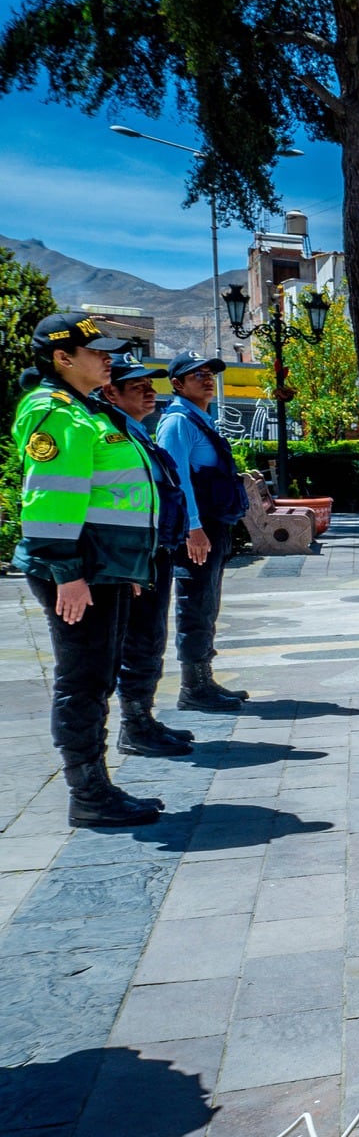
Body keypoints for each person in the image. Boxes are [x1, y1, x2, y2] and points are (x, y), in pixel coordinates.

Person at [11, 315, 164, 828]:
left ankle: (97, 786)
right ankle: (89, 794)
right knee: (82, 679)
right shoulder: (57, 415)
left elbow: (112, 496)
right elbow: (51, 500)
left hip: (103, 565)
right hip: (79, 569)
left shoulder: (87, 410)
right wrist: (66, 573)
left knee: (98, 675)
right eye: (97, 352)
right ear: (62, 358)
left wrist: (129, 566)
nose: (108, 360)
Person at [102, 355, 196, 758]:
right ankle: (134, 727)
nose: (149, 392)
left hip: (153, 553)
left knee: (150, 640)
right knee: (137, 642)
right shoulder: (111, 435)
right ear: (111, 392)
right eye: (137, 386)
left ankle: (143, 718)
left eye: (150, 384)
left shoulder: (136, 433)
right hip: (132, 559)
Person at [152, 352, 249, 713]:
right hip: (198, 528)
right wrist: (193, 527)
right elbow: (178, 482)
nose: (207, 379)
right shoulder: (178, 422)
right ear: (177, 384)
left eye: (209, 373)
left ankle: (203, 678)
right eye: (197, 375)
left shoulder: (200, 418)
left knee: (207, 603)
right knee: (195, 604)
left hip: (211, 526)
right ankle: (193, 687)